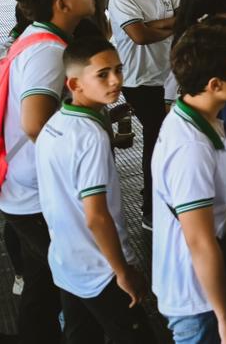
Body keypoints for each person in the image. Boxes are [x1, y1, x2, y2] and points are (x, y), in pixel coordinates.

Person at [37, 35, 156, 344]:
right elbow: (97, 216)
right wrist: (123, 271)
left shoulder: (53, 125)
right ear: (75, 84)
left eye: (118, 69)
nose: (115, 80)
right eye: (103, 74)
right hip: (101, 269)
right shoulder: (91, 136)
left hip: (66, 261)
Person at [2, 0, 95, 341]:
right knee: (85, 283)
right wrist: (82, 163)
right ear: (62, 3)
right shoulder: (49, 51)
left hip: (24, 188)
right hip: (37, 193)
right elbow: (35, 123)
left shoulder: (36, 37)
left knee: (42, 286)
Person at [152, 19, 226, 344]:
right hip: (198, 302)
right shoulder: (191, 147)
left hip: (211, 290)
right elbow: (199, 240)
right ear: (215, 84)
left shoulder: (201, 120)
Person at [108, 0, 176, 227]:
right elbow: (139, 36)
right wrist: (167, 25)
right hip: (139, 82)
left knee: (163, 138)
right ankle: (150, 208)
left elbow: (178, 19)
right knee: (155, 139)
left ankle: (160, 195)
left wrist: (155, 25)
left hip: (167, 77)